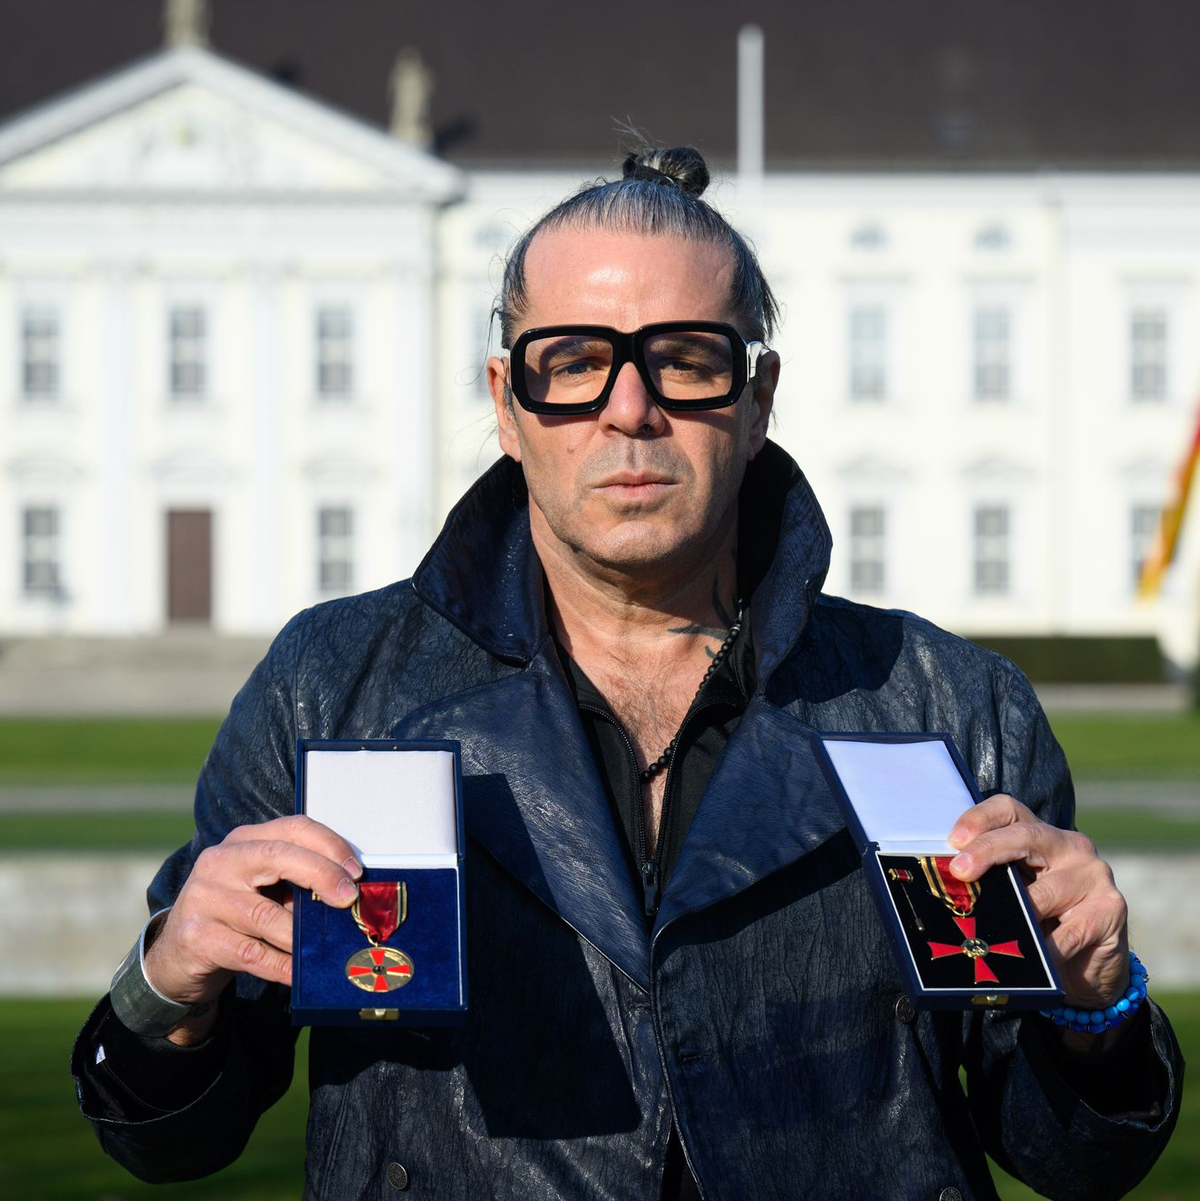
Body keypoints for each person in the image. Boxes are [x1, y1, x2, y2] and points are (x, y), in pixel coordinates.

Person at [74, 145, 1182, 1200]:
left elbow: (1077, 1159)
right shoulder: (332, 687)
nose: (629, 408)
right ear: (508, 406)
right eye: (574, 364)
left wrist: (1095, 1007)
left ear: (758, 401)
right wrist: (171, 982)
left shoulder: (947, 707)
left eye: (688, 359)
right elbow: (168, 1139)